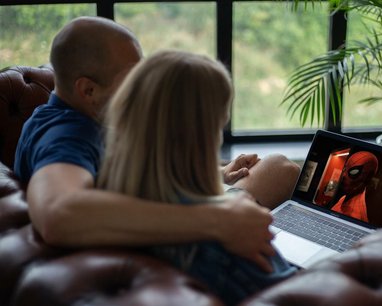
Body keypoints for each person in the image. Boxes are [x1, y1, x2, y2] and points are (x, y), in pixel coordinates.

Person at [14, 16, 300, 273]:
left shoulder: (91, 117)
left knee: (280, 168)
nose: (144, 88)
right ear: (88, 89)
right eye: (133, 79)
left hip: (176, 209)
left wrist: (217, 174)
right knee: (280, 172)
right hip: (182, 242)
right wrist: (217, 219)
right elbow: (57, 214)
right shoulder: (64, 136)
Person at [97, 50, 297, 305]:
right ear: (205, 134)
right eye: (219, 124)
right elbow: (289, 293)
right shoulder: (231, 231)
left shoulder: (109, 203)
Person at [331, 151, 378, 222]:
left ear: (367, 177)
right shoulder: (343, 198)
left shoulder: (355, 215)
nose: (343, 175)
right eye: (344, 169)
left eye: (353, 171)